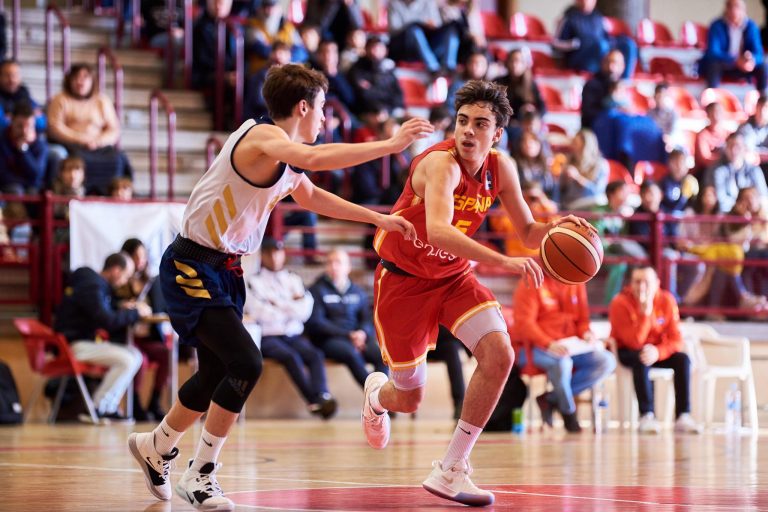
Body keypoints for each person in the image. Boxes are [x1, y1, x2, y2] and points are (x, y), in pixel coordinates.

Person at [128, 63, 430, 511]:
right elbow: (315, 159)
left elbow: (312, 195)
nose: (325, 119)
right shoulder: (264, 139)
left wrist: (377, 217)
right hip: (192, 264)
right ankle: (201, 473)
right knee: (246, 362)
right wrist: (390, 144)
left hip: (227, 270)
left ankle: (157, 445)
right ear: (303, 107)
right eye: (323, 109)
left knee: (215, 372)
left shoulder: (286, 159)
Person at [361, 79, 593, 506]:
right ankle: (376, 397)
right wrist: (502, 262)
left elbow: (527, 231)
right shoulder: (440, 165)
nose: (468, 131)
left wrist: (561, 225)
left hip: (452, 278)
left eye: (480, 123)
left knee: (500, 355)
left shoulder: (502, 168)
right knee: (408, 399)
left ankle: (451, 468)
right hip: (403, 280)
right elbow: (438, 230)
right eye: (462, 121)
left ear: (497, 133)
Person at [244, 238, 337, 418]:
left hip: (292, 335)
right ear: (262, 256)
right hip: (268, 336)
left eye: (277, 252)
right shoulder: (253, 281)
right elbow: (261, 313)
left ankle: (322, 395)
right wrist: (290, 304)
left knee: (315, 355)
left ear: (283, 254)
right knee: (290, 357)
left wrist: (277, 303)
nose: (274, 257)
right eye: (269, 253)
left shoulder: (293, 279)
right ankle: (314, 401)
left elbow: (305, 310)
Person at [513, 273, 616, 433]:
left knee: (607, 361)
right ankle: (569, 413)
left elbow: (582, 320)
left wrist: (586, 334)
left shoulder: (576, 280)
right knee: (562, 363)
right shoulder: (531, 281)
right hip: (537, 346)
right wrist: (548, 343)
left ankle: (551, 398)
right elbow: (525, 323)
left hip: (571, 345)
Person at [54, 253, 149, 423]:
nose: (126, 281)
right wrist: (135, 313)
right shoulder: (93, 285)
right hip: (73, 345)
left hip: (79, 343)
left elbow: (101, 310)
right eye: (126, 275)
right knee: (127, 359)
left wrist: (120, 306)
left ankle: (107, 407)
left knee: (134, 355)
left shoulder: (94, 284)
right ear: (115, 270)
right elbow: (107, 321)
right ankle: (99, 408)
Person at [609, 265, 702, 434]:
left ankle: (683, 416)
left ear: (657, 283)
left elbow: (676, 339)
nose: (642, 287)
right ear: (631, 283)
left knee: (683, 359)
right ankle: (647, 415)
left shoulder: (666, 300)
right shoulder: (619, 302)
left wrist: (658, 352)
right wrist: (645, 314)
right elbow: (634, 342)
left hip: (657, 350)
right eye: (637, 282)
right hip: (628, 350)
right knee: (641, 356)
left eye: (646, 282)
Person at [306, 248, 388, 387]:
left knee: (382, 357)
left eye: (338, 262)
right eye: (330, 262)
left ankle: (380, 397)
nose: (334, 266)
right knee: (351, 353)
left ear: (348, 267)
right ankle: (378, 398)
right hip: (330, 340)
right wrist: (348, 335)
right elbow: (317, 322)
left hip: (358, 338)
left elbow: (367, 318)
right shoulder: (316, 290)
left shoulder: (358, 291)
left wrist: (362, 333)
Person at [47, 63, 133, 196]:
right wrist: (81, 139)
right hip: (71, 145)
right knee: (76, 160)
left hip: (98, 145)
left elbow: (114, 129)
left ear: (92, 81)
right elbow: (55, 127)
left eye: (85, 77)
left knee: (117, 159)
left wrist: (97, 141)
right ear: (69, 80)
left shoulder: (102, 100)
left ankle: (110, 194)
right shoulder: (60, 99)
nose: (80, 81)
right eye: (76, 77)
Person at [115, 238, 171, 422]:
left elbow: (160, 308)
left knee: (166, 355)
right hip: (129, 339)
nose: (140, 260)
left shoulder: (152, 282)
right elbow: (112, 308)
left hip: (148, 337)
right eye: (136, 256)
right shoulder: (119, 280)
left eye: (143, 256)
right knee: (141, 361)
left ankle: (154, 401)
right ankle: (135, 403)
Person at [553, 0, 637, 79]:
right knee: (601, 45)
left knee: (628, 44)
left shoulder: (598, 17)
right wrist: (573, 44)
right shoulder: (569, 17)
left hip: (601, 50)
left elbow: (606, 38)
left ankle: (623, 83)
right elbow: (556, 44)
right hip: (578, 57)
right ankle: (600, 81)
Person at [699, 0, 768, 91]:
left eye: (737, 6)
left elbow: (759, 53)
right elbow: (712, 52)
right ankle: (712, 98)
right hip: (723, 66)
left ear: (744, 9)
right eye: (730, 6)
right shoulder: (716, 25)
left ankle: (762, 99)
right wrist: (734, 59)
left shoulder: (752, 27)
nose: (733, 10)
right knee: (713, 63)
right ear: (726, 8)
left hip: (744, 67)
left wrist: (751, 60)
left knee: (763, 65)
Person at [387, 0, 460, 75]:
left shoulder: (428, 2)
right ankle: (433, 68)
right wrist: (418, 23)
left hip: (428, 43)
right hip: (406, 46)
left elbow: (437, 24)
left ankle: (449, 67)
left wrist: (431, 25)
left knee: (451, 29)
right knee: (414, 29)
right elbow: (394, 30)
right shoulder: (394, 3)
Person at [706, 132, 768, 213]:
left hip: (753, 215)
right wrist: (740, 209)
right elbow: (721, 201)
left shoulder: (754, 170)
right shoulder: (718, 171)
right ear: (726, 148)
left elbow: (763, 196)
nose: (734, 150)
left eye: (738, 146)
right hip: (729, 216)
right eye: (731, 146)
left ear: (744, 148)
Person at [0, 102, 48, 195]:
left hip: (30, 187)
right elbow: (2, 175)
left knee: (33, 193)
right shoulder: (2, 140)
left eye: (29, 126)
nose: (24, 131)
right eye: (19, 126)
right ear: (11, 122)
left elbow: (37, 175)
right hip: (9, 186)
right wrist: (27, 182)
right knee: (16, 190)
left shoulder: (40, 144)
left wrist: (23, 150)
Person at [559, 129, 609, 210]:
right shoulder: (568, 161)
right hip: (571, 203)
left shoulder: (601, 164)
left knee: (599, 201)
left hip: (592, 201)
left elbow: (597, 192)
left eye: (576, 143)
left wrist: (577, 178)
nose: (572, 146)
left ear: (586, 146)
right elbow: (561, 193)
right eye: (573, 142)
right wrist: (564, 179)